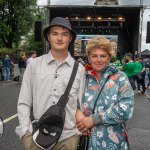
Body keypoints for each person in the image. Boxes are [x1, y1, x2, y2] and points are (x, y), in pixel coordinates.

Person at [16, 17, 85, 150]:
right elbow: (24, 102)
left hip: (68, 137)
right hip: (36, 135)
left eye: (64, 34)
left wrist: (77, 134)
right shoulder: (34, 66)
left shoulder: (79, 70)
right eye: (55, 33)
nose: (59, 38)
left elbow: (80, 104)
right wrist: (25, 132)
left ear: (70, 38)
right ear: (48, 37)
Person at [76, 36, 134, 150]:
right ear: (89, 57)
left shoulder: (120, 77)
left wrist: (94, 120)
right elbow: (72, 102)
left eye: (103, 56)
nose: (98, 60)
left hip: (115, 144)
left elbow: (126, 109)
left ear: (109, 57)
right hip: (86, 142)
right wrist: (77, 112)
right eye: (94, 56)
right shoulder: (82, 78)